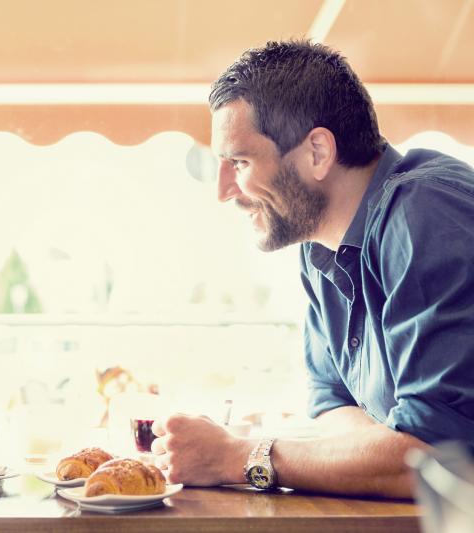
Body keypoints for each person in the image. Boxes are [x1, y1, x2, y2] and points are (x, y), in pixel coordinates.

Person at [151, 40, 474, 498]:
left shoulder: (427, 213)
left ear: (318, 152)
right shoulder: (321, 246)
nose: (223, 191)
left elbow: (439, 460)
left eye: (240, 161)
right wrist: (384, 454)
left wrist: (237, 457)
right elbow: (329, 399)